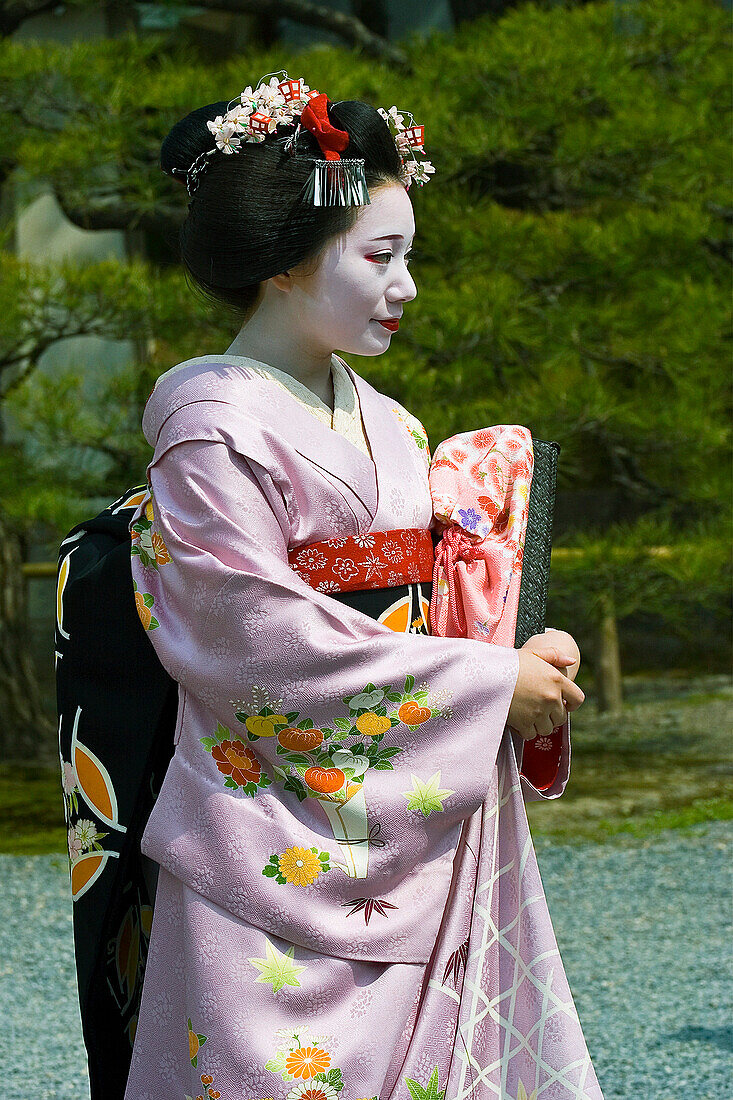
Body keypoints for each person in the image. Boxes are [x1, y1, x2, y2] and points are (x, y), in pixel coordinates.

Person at [123, 74, 603, 1099]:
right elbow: (254, 638)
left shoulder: (389, 421)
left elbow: (426, 601)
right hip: (267, 827)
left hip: (407, 817)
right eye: (381, 257)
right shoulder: (210, 425)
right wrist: (482, 690)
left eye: (408, 255)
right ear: (287, 262)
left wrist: (513, 653)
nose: (407, 286)